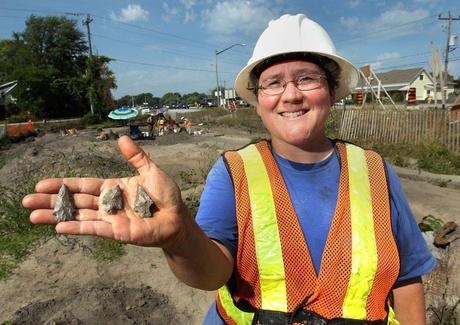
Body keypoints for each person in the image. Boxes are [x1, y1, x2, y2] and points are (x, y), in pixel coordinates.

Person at [23, 14, 434, 325]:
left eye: (306, 78)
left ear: (330, 92)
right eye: (273, 83)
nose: (290, 95)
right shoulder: (235, 171)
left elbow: (407, 280)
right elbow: (212, 270)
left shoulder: (376, 171)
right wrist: (180, 235)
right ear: (257, 100)